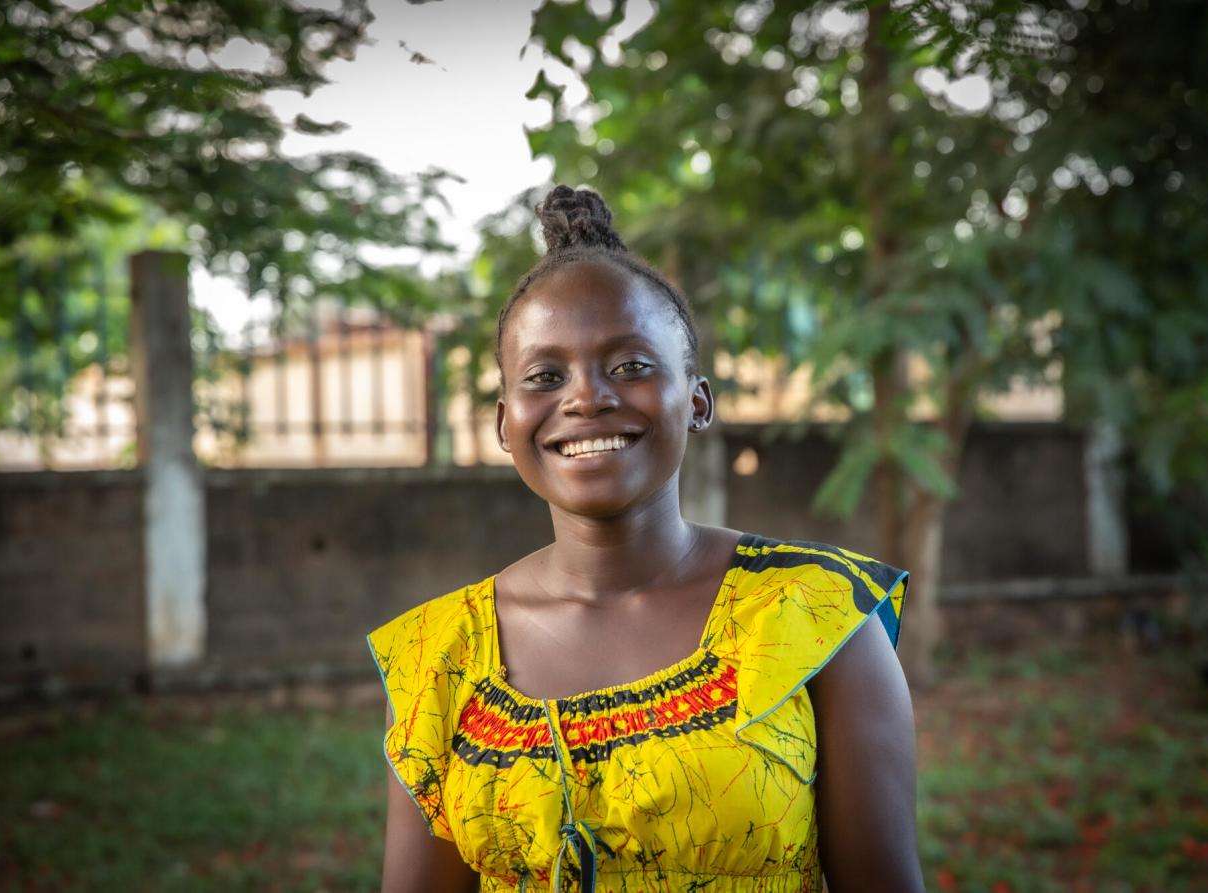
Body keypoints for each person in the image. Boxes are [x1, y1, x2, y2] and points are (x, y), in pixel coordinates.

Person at [366, 185, 923, 892]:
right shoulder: (436, 661)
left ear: (696, 400)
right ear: (505, 422)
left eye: (630, 366)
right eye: (546, 375)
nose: (586, 397)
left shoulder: (816, 618)